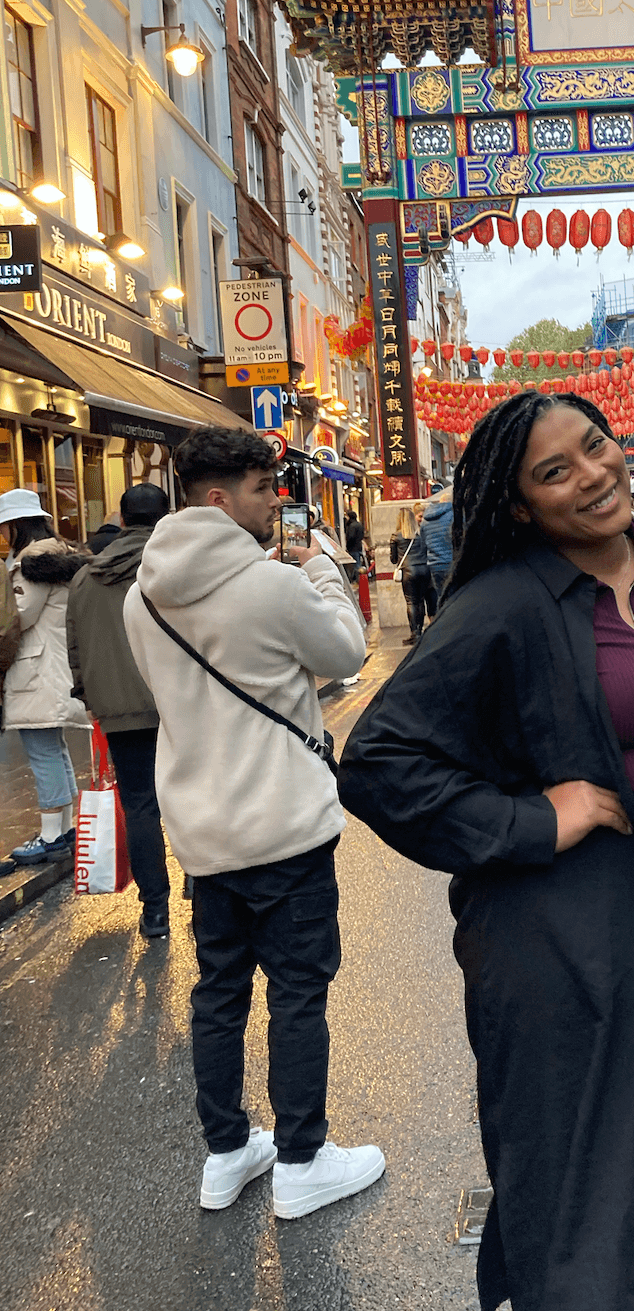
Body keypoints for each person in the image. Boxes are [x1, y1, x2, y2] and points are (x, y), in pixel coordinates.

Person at [337, 391, 634, 1311]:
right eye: (554, 472)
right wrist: (533, 821)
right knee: (574, 1246)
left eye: (595, 448)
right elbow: (378, 761)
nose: (593, 476)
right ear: (520, 505)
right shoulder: (502, 604)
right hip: (575, 972)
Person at [122, 426, 383, 1219]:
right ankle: (303, 1159)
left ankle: (228, 1152)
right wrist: (327, 574)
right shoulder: (271, 586)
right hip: (284, 828)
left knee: (219, 991)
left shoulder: (143, 597)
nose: (278, 501)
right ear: (217, 498)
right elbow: (344, 654)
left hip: (202, 830)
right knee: (299, 992)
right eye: (264, 488)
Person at [66, 483, 173, 938]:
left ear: (122, 521)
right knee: (193, 793)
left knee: (141, 804)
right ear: (167, 518)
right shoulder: (172, 566)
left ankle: (155, 909)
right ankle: (203, 887)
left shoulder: (83, 579)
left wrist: (94, 699)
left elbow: (74, 649)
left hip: (117, 709)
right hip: (178, 703)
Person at [1, 489, 90, 865]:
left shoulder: (31, 563)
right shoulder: (57, 555)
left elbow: (18, 617)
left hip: (36, 669)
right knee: (53, 750)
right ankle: (65, 829)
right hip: (55, 665)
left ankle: (52, 835)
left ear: (16, 525)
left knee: (43, 752)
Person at [394, 504, 436, 646]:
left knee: (412, 602)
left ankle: (415, 633)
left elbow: (393, 559)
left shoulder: (396, 536)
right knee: (421, 600)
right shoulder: (421, 534)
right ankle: (421, 630)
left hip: (409, 572)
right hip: (424, 570)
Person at [421, 483, 454, 599]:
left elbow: (423, 542)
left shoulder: (425, 519)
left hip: (434, 565)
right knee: (454, 596)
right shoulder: (453, 515)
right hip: (450, 561)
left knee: (441, 596)